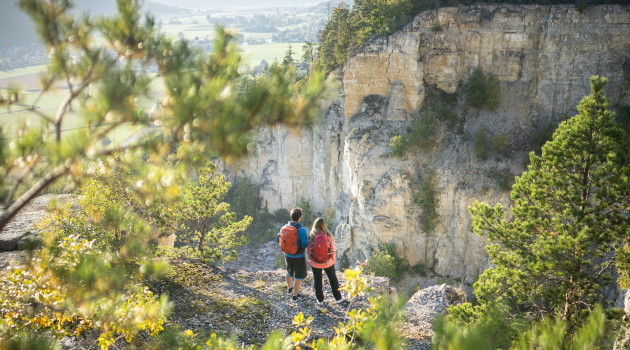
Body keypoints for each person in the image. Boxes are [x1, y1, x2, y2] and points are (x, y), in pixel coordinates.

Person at [307, 217, 344, 304]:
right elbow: (333, 249)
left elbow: (309, 250)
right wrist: (332, 261)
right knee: (333, 279)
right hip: (327, 262)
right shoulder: (328, 235)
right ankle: (338, 298)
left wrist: (310, 260)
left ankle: (320, 300)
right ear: (324, 225)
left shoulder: (312, 236)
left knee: (317, 280)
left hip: (315, 262)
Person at [276, 207, 308, 301]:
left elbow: (278, 238)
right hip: (299, 256)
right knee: (298, 276)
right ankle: (295, 296)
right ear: (300, 217)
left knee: (289, 272)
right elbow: (304, 244)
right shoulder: (302, 230)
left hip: (288, 255)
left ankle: (289, 288)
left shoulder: (284, 227)